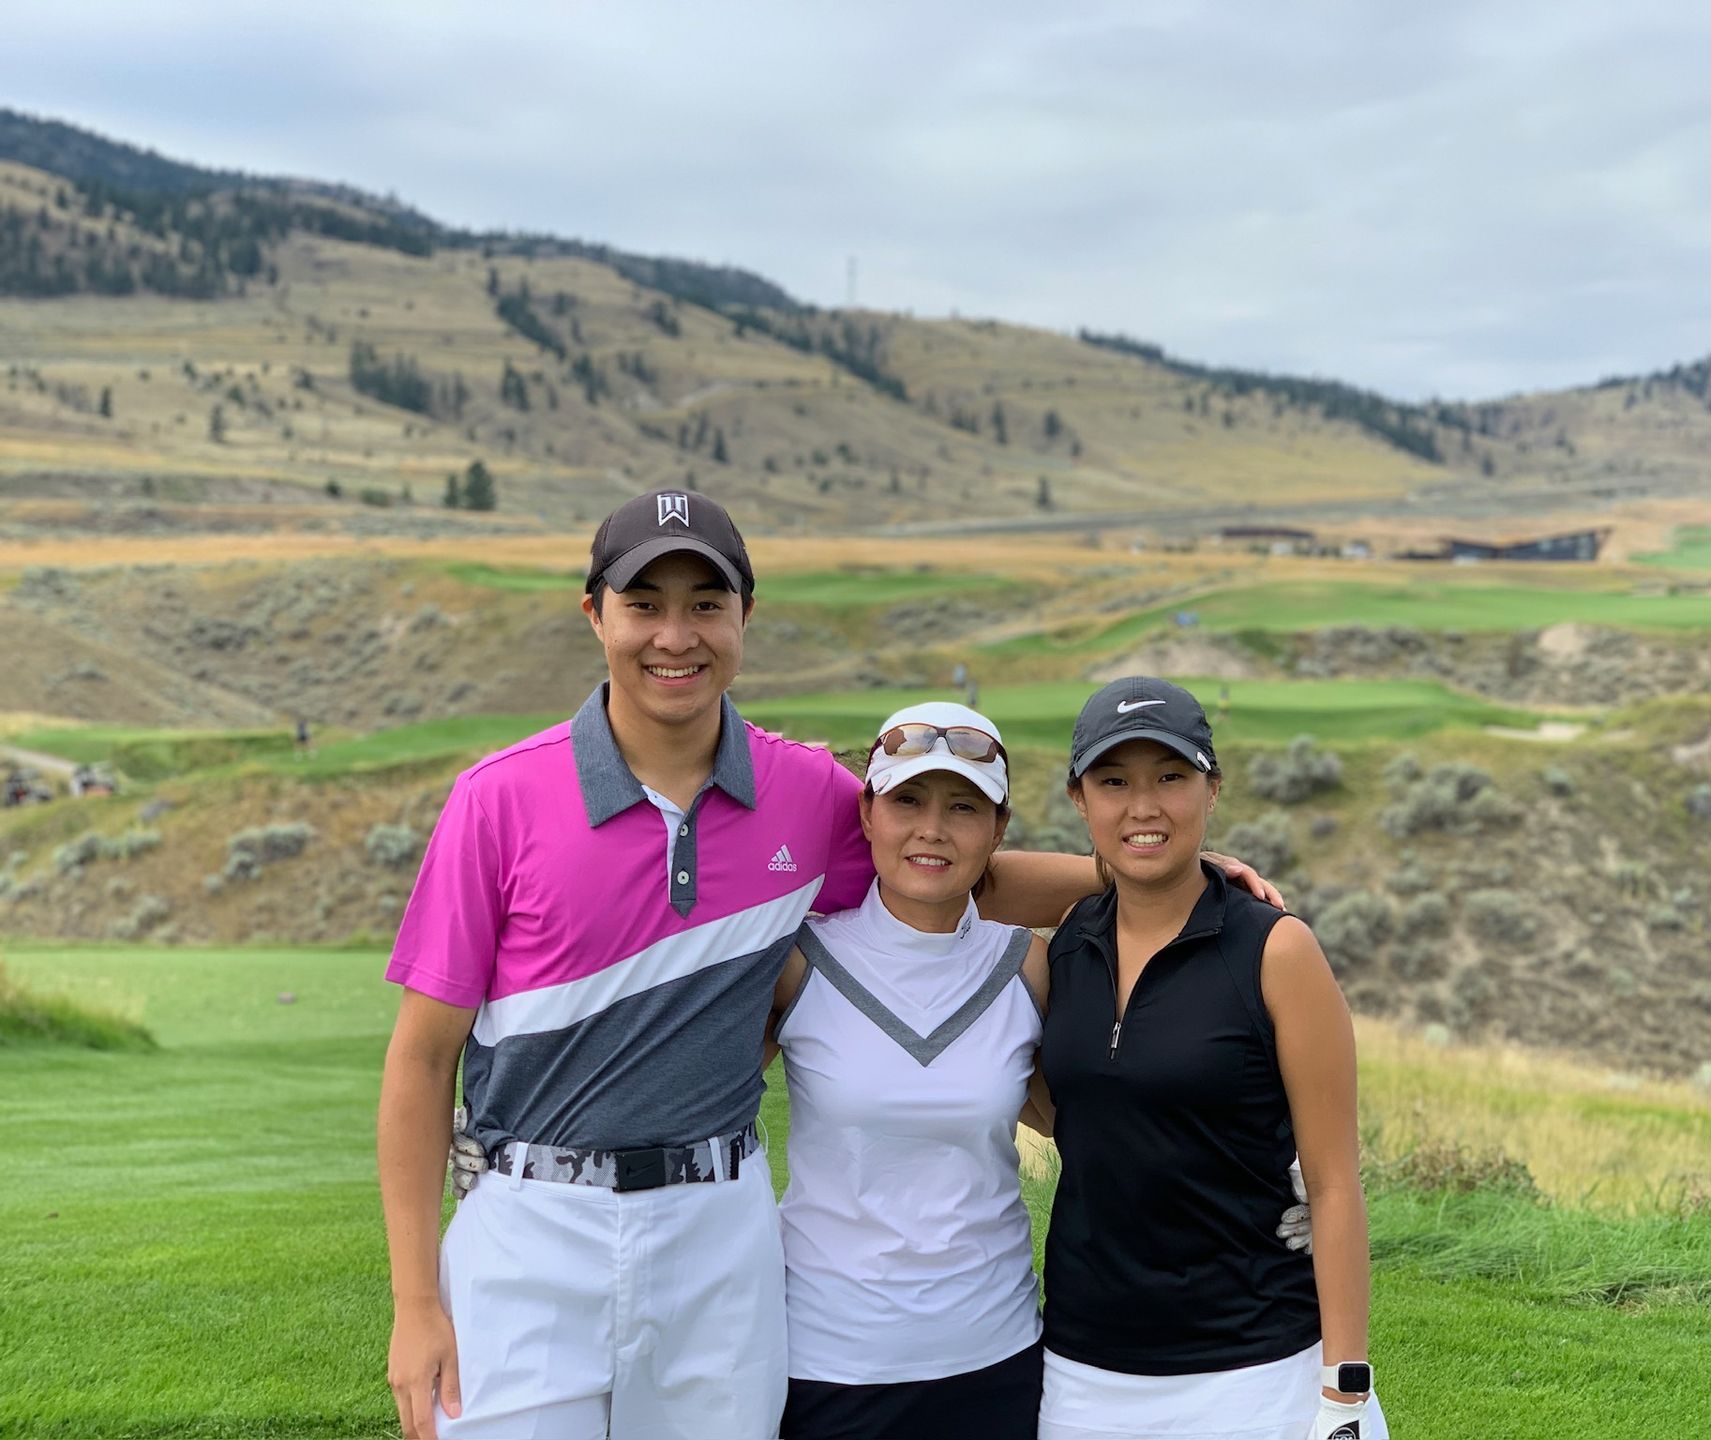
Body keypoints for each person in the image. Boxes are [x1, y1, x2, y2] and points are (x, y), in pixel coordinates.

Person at [381, 492, 1283, 1440]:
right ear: (595, 614)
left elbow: (948, 868)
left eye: (706, 605)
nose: (675, 636)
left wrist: (1147, 873)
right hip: (530, 1226)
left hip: (717, 1230)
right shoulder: (496, 798)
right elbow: (420, 1059)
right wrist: (415, 1303)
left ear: (744, 617)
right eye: (645, 604)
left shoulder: (807, 793)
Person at [1033, 677, 1388, 1440]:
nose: (1144, 806)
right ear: (1078, 799)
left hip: (1259, 1373)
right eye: (1113, 782)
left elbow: (1332, 1185)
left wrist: (1345, 1396)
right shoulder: (1070, 943)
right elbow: (960, 876)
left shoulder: (1275, 950)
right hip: (1084, 1374)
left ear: (1212, 788)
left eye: (1171, 778)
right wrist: (1116, 865)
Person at [768, 700, 1049, 1439]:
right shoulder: (798, 960)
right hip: (829, 1362)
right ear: (867, 814)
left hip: (996, 1355)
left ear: (999, 829)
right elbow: (692, 1096)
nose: (933, 829)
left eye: (964, 807)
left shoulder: (1028, 965)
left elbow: (1095, 1123)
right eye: (908, 801)